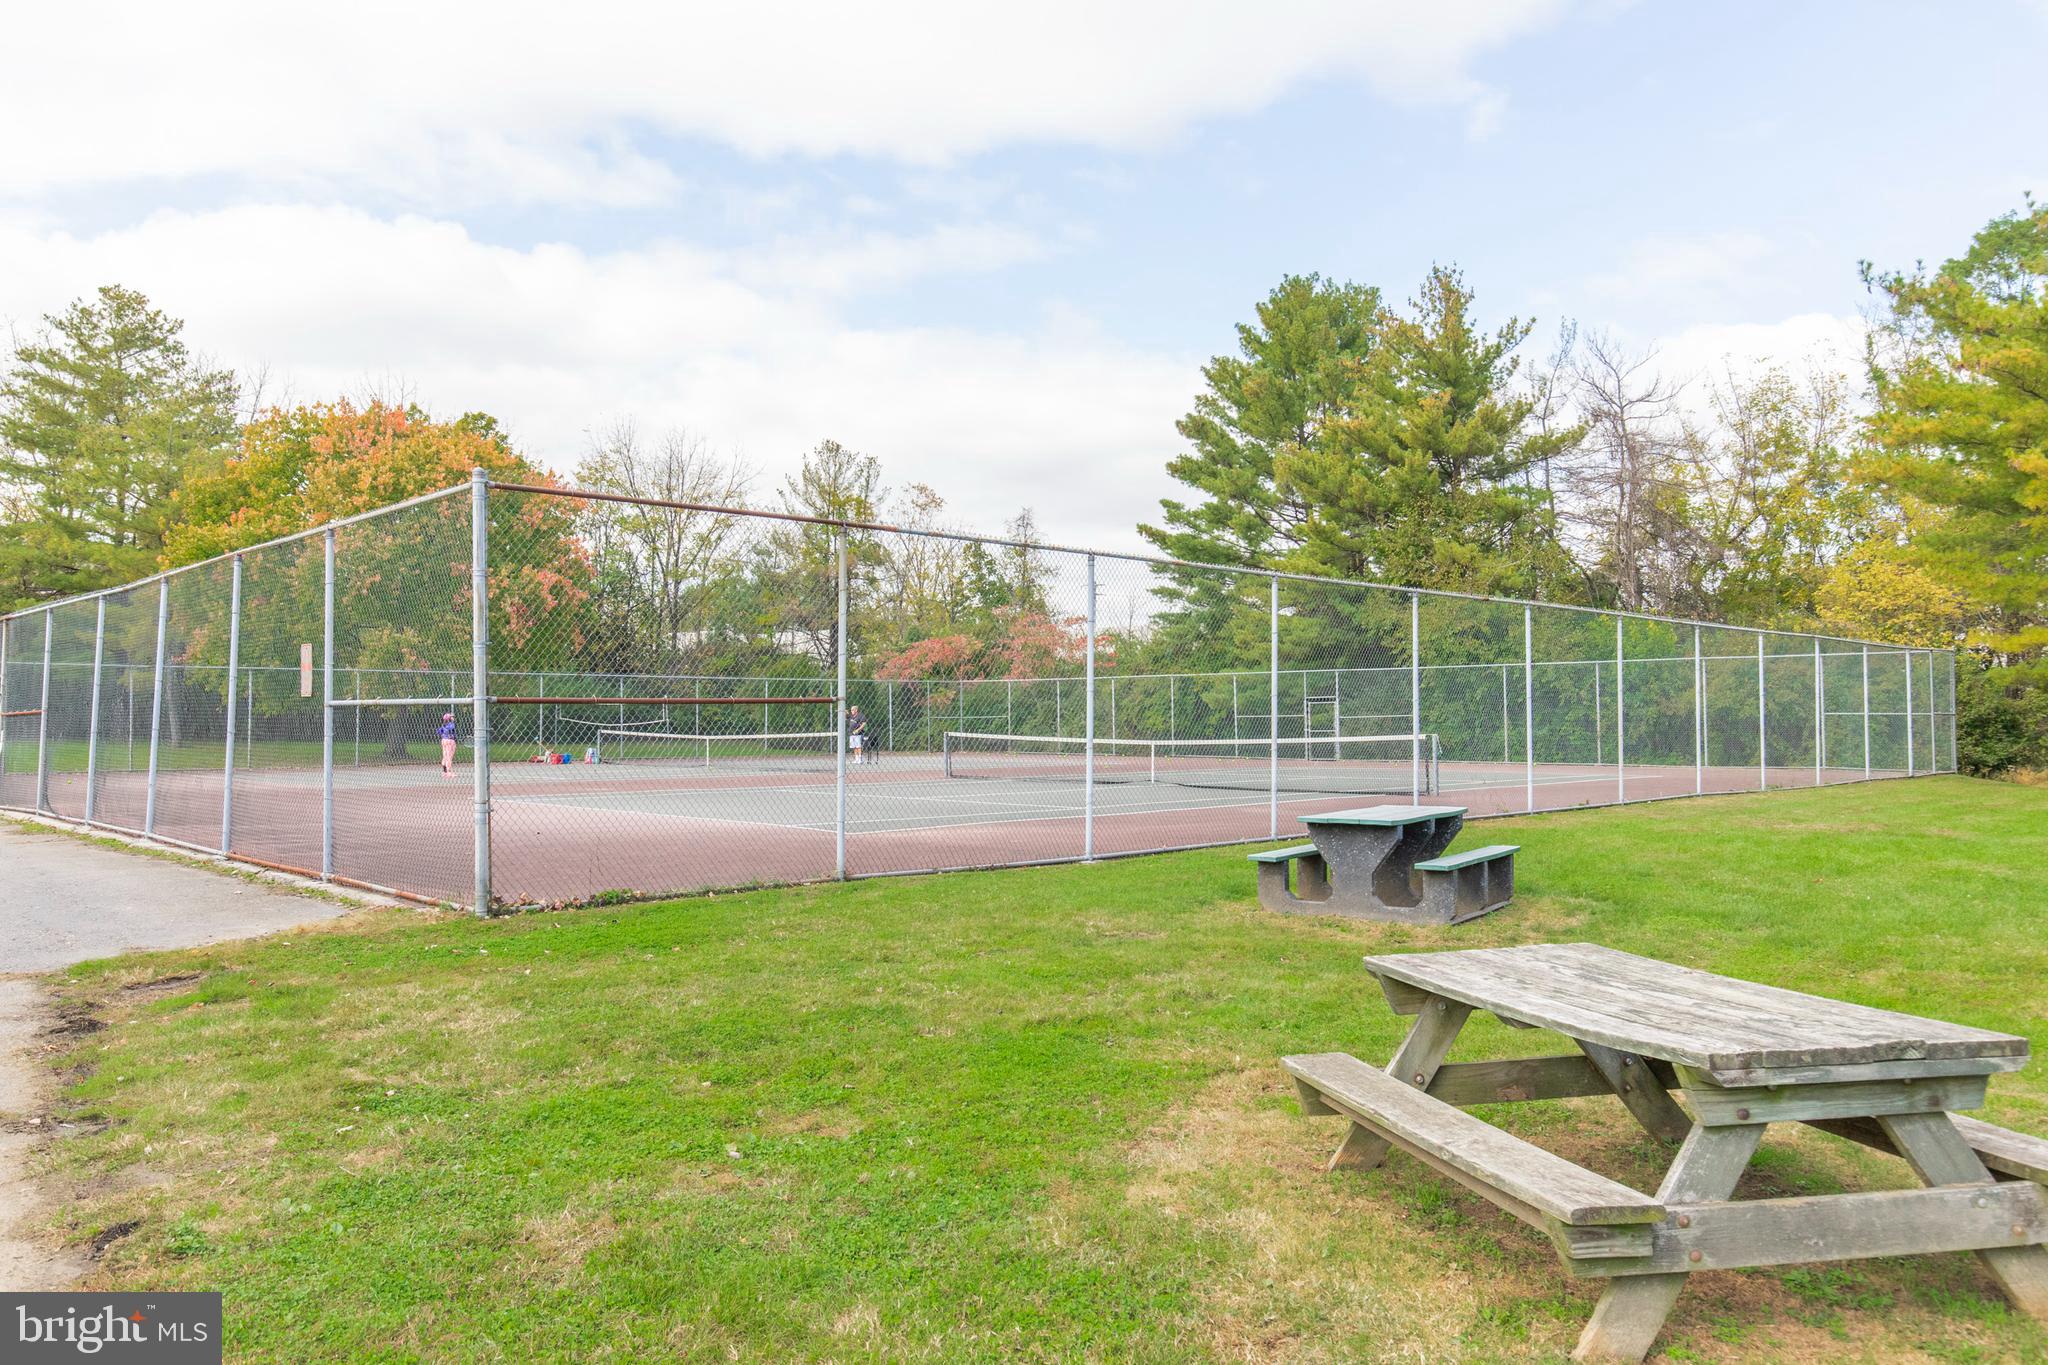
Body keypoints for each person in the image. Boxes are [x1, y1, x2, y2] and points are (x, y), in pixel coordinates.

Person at [439, 712, 458, 776]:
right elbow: (452, 729)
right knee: (449, 756)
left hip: (444, 740)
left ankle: (444, 772)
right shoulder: (451, 724)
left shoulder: (443, 725)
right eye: (451, 717)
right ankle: (449, 772)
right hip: (450, 741)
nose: (453, 718)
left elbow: (439, 731)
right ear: (449, 719)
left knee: (445, 756)